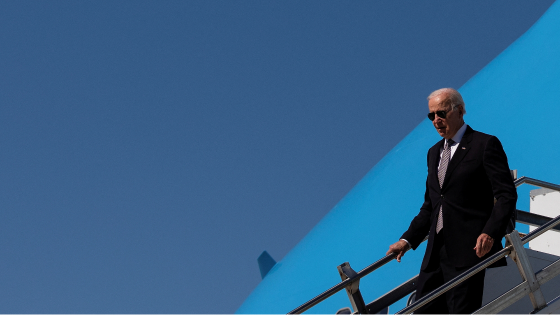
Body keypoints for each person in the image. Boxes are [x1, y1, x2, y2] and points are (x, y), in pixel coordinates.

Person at [386, 88, 517, 314]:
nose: (436, 120)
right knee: (422, 310)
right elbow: (431, 205)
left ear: (459, 111)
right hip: (436, 252)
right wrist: (407, 240)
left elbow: (506, 195)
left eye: (441, 113)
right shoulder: (433, 153)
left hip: (469, 250)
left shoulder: (484, 144)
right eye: (431, 116)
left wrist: (490, 232)